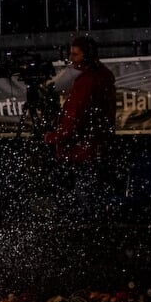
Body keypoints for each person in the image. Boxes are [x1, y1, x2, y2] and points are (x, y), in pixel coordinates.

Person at [42, 36, 117, 211]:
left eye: (75, 55)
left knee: (82, 198)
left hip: (82, 149)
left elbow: (74, 118)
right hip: (96, 146)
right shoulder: (103, 73)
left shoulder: (87, 81)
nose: (71, 59)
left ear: (87, 55)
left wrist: (53, 137)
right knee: (92, 195)